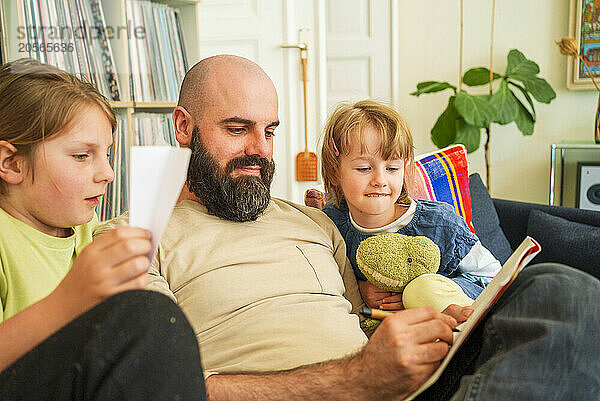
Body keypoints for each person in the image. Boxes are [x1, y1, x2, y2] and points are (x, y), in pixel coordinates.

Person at [100, 54, 600, 400]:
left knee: (561, 289)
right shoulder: (136, 238)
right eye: (237, 129)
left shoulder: (313, 222)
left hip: (410, 386)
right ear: (184, 127)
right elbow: (161, 387)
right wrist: (355, 381)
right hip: (340, 389)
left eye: (269, 131)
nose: (260, 148)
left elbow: (365, 316)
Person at [0, 59, 206, 400]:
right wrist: (68, 300)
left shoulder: (83, 229)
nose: (107, 173)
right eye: (82, 156)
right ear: (11, 163)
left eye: (107, 154)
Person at [319, 100, 501, 318]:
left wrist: (417, 298)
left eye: (392, 168)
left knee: (420, 290)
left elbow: (494, 277)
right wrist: (359, 288)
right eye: (364, 168)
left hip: (464, 307)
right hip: (391, 331)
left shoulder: (438, 222)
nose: (380, 180)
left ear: (404, 171)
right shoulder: (331, 224)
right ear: (334, 172)